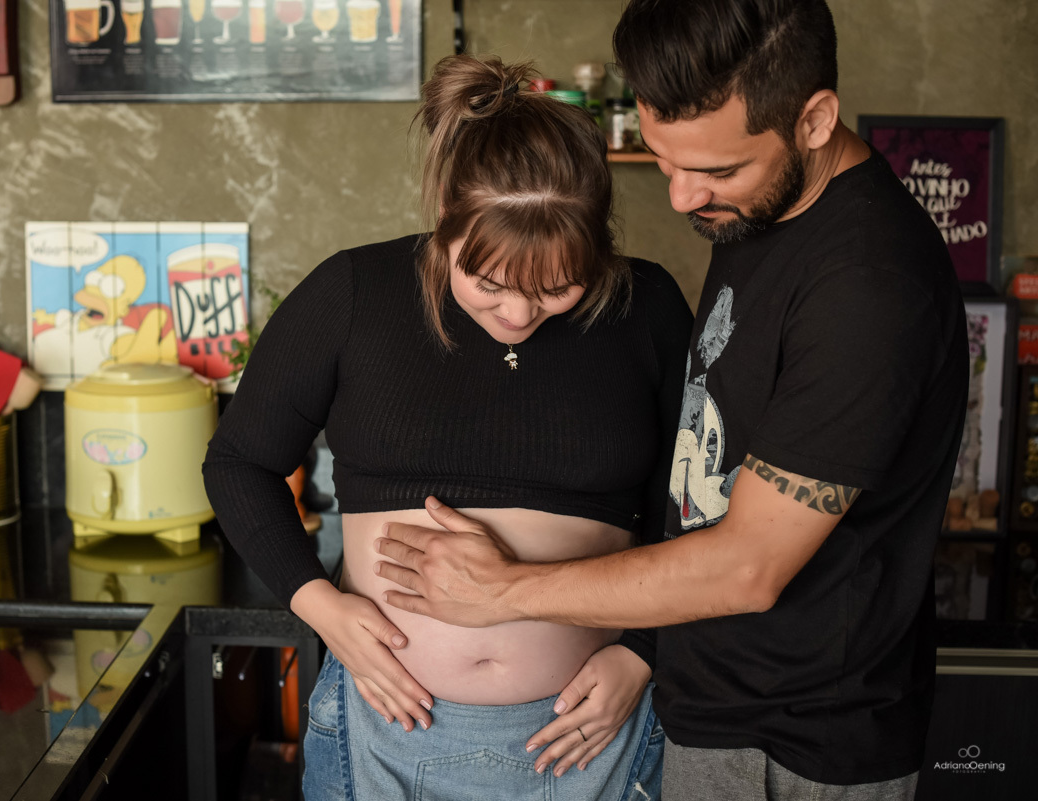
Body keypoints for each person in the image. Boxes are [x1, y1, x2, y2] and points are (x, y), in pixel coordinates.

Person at [373, 2, 969, 800]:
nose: (684, 198)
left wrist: (501, 591)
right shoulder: (759, 215)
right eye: (664, 159)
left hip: (802, 744)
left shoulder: (868, 288)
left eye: (717, 171)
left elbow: (749, 566)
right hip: (713, 708)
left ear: (816, 119)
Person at [202, 54, 692, 800]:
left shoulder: (646, 307)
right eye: (488, 283)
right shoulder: (352, 294)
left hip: (595, 735)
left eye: (558, 286)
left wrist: (643, 653)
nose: (520, 315)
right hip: (385, 732)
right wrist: (320, 604)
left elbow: (689, 506)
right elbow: (239, 461)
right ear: (445, 218)